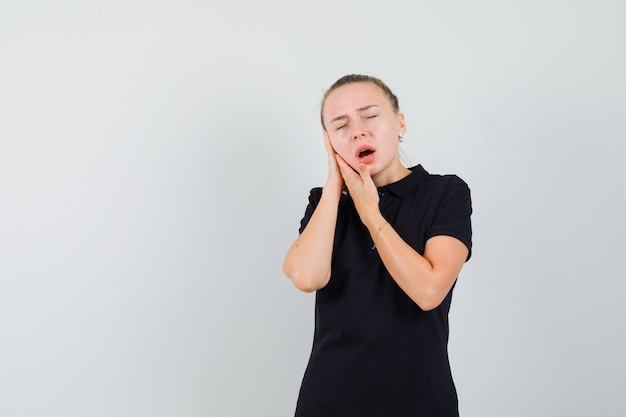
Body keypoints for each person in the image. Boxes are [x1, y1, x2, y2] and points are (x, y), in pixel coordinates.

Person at [282, 74, 473, 416]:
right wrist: (334, 185)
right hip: (328, 402)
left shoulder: (445, 193)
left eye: (370, 116)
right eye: (340, 125)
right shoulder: (325, 203)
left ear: (400, 123)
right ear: (329, 142)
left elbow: (429, 291)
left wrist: (372, 214)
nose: (357, 131)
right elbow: (306, 277)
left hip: (420, 402)